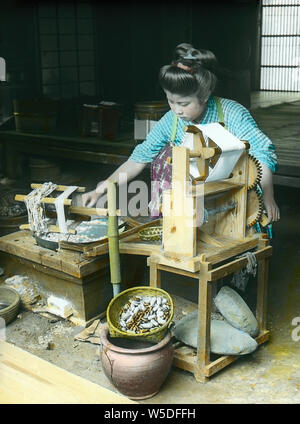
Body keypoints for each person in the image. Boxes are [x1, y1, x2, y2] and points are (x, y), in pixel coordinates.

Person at [82, 42, 280, 224]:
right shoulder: (172, 120)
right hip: (195, 197)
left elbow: (262, 154)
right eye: (171, 101)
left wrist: (269, 196)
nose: (177, 110)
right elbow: (138, 159)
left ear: (205, 95)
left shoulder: (232, 113)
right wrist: (100, 190)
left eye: (184, 104)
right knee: (165, 157)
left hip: (234, 196)